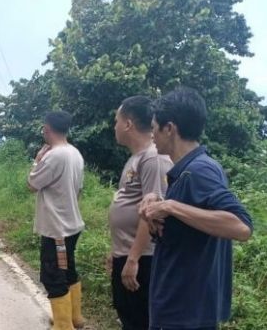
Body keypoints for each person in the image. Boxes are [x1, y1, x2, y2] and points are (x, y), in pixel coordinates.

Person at [139, 88, 252, 330]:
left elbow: (240, 226)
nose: (152, 136)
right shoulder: (187, 171)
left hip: (185, 313)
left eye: (154, 128)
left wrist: (170, 205)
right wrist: (157, 205)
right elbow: (193, 221)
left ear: (169, 128)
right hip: (181, 308)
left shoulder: (199, 171)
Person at [108, 96, 172, 330]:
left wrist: (133, 258)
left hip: (144, 259)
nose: (114, 126)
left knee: (139, 320)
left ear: (128, 124)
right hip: (127, 253)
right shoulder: (136, 158)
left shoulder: (153, 158)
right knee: (128, 316)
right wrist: (117, 253)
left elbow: (152, 212)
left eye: (117, 120)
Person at [28, 111, 85, 330]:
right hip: (70, 224)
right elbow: (78, 190)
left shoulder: (53, 156)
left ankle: (63, 325)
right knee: (67, 269)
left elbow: (32, 184)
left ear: (47, 129)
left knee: (53, 275)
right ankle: (74, 318)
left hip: (56, 228)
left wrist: (37, 160)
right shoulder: (75, 153)